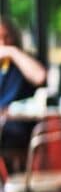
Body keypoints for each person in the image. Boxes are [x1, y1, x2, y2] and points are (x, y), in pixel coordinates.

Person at [0, 16, 46, 152]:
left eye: (6, 37)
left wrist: (12, 52)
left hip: (15, 131)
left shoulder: (21, 61)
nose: (2, 43)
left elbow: (40, 76)